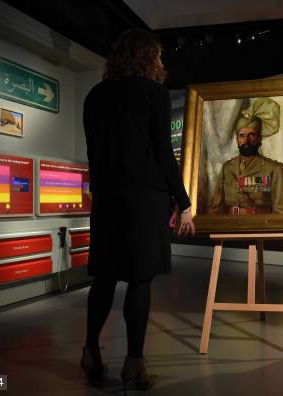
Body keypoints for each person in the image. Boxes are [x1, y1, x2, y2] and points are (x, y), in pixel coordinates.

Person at [81, 29, 195, 390]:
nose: (161, 61)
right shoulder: (154, 94)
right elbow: (163, 153)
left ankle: (90, 352)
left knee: (104, 276)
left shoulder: (95, 96)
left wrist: (100, 191)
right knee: (139, 279)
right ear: (148, 58)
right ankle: (134, 362)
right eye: (157, 55)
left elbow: (94, 154)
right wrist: (184, 202)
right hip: (145, 199)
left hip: (108, 199)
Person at [208, 98, 283, 215]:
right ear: (237, 139)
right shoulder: (227, 169)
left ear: (259, 138)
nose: (246, 140)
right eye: (242, 136)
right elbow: (215, 207)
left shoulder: (275, 170)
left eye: (251, 135)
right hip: (229, 228)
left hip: (260, 228)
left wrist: (253, 206)